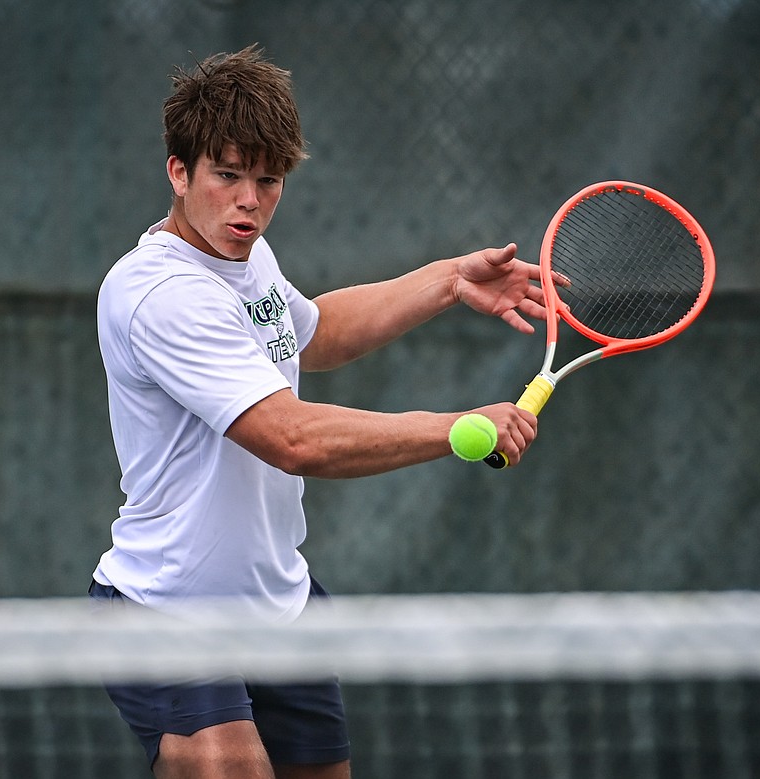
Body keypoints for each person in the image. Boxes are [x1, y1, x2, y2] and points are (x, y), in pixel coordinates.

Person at [89, 45, 546, 779]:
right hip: (168, 611)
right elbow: (292, 438)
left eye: (268, 181)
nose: (249, 201)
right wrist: (458, 429)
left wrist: (448, 278)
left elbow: (312, 335)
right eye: (227, 175)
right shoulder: (162, 294)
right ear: (179, 171)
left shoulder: (246, 257)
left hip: (279, 602)